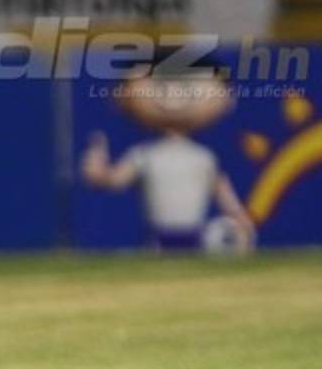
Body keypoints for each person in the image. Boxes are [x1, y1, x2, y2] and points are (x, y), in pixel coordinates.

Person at [82, 63, 255, 252]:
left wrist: (239, 215)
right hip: (158, 241)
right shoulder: (144, 155)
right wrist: (99, 173)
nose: (173, 92)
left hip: (195, 240)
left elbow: (222, 190)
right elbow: (114, 179)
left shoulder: (203, 157)